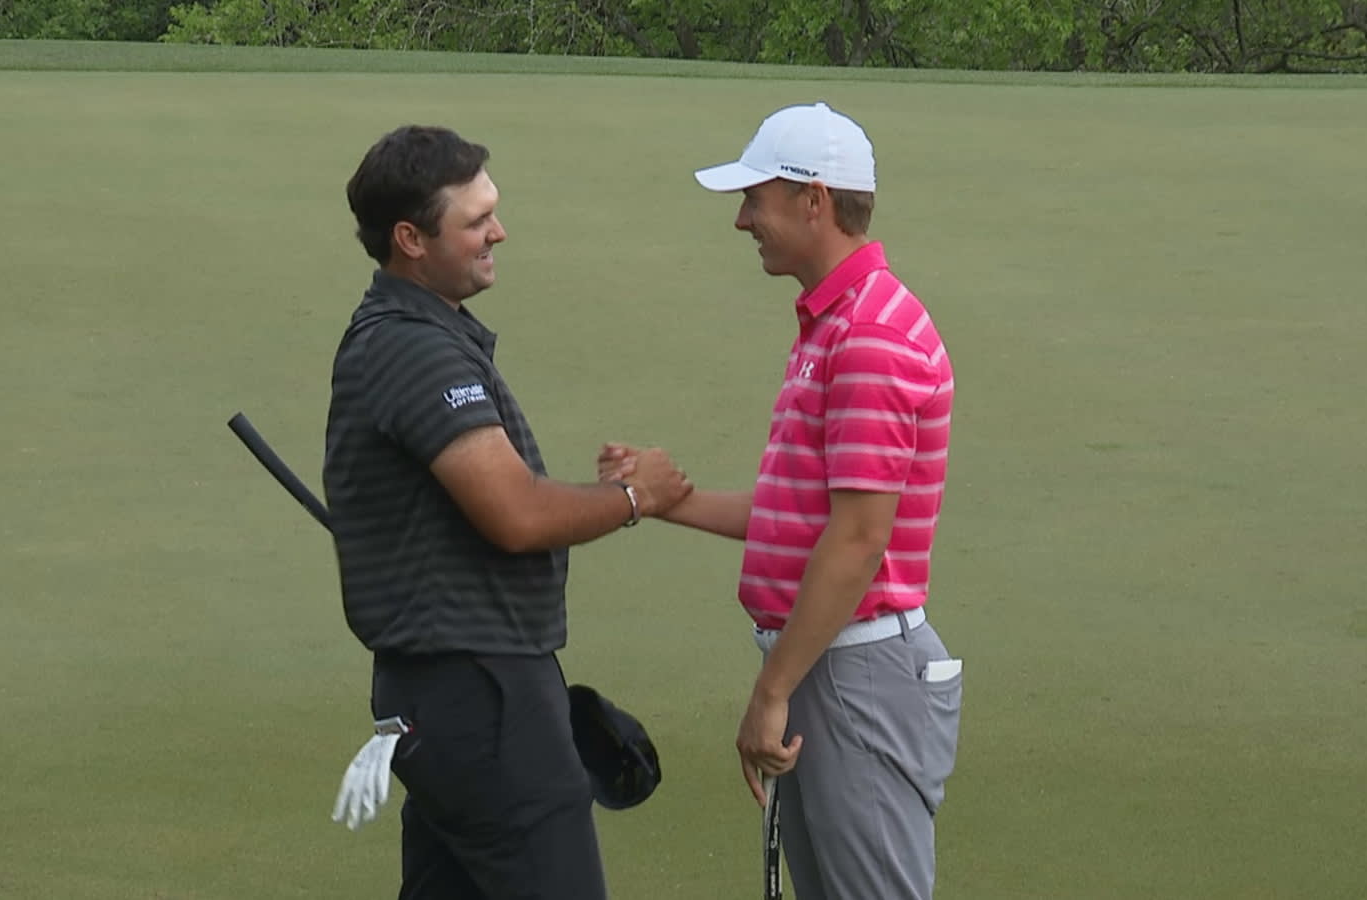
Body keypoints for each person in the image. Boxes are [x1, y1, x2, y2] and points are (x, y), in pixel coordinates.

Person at [601, 102, 964, 899]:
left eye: (755, 199)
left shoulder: (868, 333)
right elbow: (799, 521)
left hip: (855, 671)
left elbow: (860, 540)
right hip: (832, 662)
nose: (741, 221)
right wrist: (662, 500)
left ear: (815, 201)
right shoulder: (833, 324)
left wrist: (772, 694)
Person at [324, 124, 692, 900]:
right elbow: (515, 513)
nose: (499, 230)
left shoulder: (424, 334)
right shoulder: (413, 349)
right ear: (409, 240)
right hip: (478, 695)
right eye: (474, 220)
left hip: (455, 690)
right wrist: (635, 498)